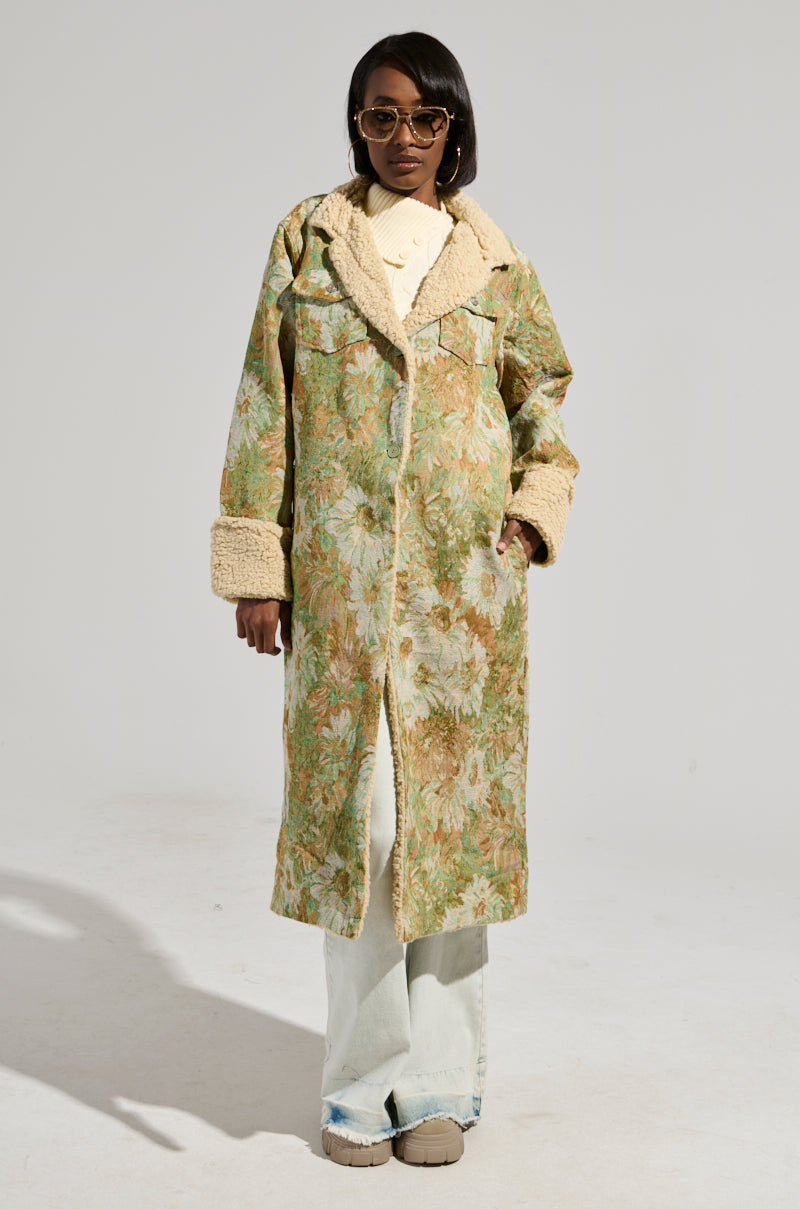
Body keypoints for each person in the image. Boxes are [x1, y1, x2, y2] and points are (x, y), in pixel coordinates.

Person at [210, 30, 579, 1168]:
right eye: (382, 116)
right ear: (356, 124)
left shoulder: (496, 263)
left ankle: (442, 1084)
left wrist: (527, 520)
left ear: (453, 128)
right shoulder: (311, 241)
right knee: (363, 835)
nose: (403, 137)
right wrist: (260, 564)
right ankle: (357, 1087)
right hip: (339, 593)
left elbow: (544, 408)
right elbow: (264, 400)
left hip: (463, 606)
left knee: (446, 839)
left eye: (425, 118)